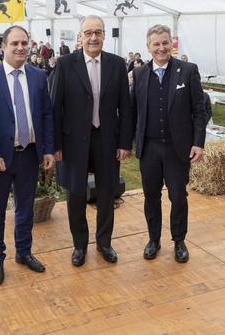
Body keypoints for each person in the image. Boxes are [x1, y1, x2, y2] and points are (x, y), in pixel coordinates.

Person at [51, 15, 133, 267]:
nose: (93, 37)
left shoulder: (117, 64)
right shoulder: (65, 64)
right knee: (75, 193)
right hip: (74, 141)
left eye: (98, 32)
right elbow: (55, 107)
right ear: (80, 36)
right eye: (88, 33)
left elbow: (125, 108)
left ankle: (104, 243)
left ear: (105, 35)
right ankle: (79, 245)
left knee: (106, 193)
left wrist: (124, 143)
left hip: (106, 139)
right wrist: (56, 146)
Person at [0, 25, 55, 285]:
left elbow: (46, 114)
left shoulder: (37, 76)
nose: (21, 48)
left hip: (29, 154)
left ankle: (23, 252)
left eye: (24, 43)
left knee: (25, 208)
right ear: (4, 46)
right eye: (15, 44)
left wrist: (47, 149)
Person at [131, 24, 207, 264]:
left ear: (172, 44)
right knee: (151, 196)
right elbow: (133, 112)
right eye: (156, 44)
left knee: (178, 195)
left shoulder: (187, 71)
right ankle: (153, 239)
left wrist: (198, 142)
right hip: (149, 148)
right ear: (148, 47)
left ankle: (179, 240)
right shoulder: (140, 74)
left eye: (165, 43)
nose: (161, 48)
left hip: (177, 148)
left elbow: (200, 110)